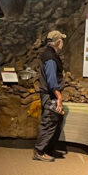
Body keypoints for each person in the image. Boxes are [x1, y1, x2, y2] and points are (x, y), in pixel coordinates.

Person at [34, 29, 66, 162]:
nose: (62, 43)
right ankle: (39, 151)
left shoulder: (48, 54)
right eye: (62, 41)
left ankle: (47, 149)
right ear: (58, 42)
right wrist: (59, 97)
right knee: (48, 122)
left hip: (49, 94)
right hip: (50, 95)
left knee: (53, 122)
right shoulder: (51, 58)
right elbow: (51, 80)